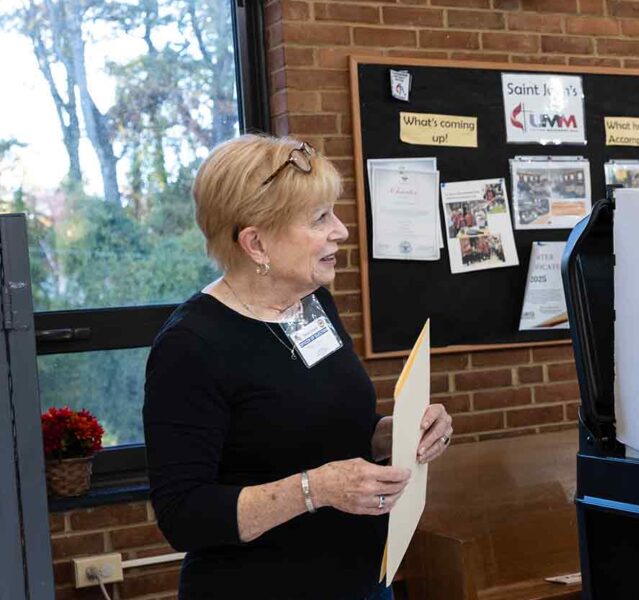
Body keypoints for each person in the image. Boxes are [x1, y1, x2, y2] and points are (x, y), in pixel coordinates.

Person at [144, 134, 455, 599]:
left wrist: (398, 432)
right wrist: (316, 489)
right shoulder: (190, 346)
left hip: (362, 581)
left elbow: (325, 424)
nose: (341, 231)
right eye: (319, 219)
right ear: (256, 243)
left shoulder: (312, 305)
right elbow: (184, 515)